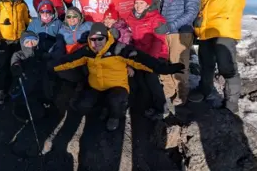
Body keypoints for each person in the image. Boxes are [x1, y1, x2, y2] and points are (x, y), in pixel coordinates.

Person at [52, 23, 184, 131]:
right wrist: (52, 67)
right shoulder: (87, 51)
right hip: (96, 87)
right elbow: (68, 61)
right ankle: (103, 108)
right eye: (92, 39)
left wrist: (166, 69)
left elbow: (144, 60)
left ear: (107, 37)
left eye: (100, 39)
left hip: (117, 88)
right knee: (82, 106)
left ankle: (116, 115)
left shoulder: (119, 49)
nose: (96, 43)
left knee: (115, 99)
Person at [158, 0, 202, 106]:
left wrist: (170, 26)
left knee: (179, 65)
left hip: (181, 33)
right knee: (165, 63)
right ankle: (169, 91)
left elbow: (191, 13)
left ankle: (182, 96)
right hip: (166, 32)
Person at [126, 0, 170, 119]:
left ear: (148, 5)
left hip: (156, 55)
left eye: (141, 3)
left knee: (151, 78)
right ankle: (147, 105)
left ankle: (162, 108)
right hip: (141, 55)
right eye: (136, 2)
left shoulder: (156, 18)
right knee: (139, 78)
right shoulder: (131, 18)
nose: (138, 5)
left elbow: (158, 41)